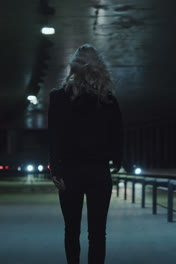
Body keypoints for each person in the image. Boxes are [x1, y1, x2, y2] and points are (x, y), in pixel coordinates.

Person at [48, 44, 123, 264]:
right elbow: (117, 133)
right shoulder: (108, 99)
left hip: (69, 171)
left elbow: (54, 135)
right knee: (98, 232)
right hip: (98, 171)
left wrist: (55, 168)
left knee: (71, 230)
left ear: (74, 66)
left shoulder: (58, 97)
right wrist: (116, 161)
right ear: (99, 67)